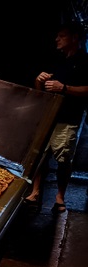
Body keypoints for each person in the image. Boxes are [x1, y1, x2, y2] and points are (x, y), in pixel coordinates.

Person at [24, 21, 88, 214]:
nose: (57, 39)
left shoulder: (85, 61)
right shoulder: (55, 60)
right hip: (48, 117)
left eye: (62, 36)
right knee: (40, 156)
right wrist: (38, 80)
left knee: (63, 160)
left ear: (75, 38)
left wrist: (65, 88)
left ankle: (60, 196)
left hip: (68, 118)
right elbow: (41, 92)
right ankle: (35, 192)